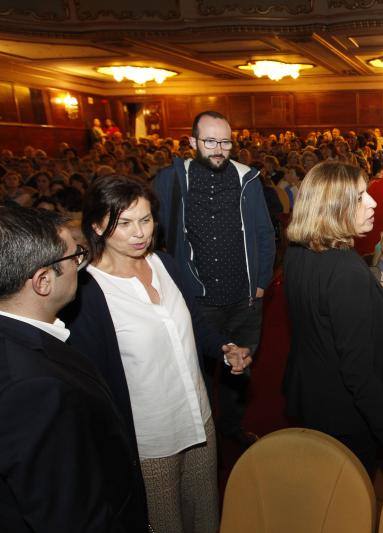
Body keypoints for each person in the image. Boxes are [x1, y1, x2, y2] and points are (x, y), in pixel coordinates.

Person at [63, 176, 252, 532]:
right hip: (148, 441)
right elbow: (91, 386)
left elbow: (194, 325)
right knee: (165, 525)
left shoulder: (164, 264)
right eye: (124, 223)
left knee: (206, 518)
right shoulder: (87, 292)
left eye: (146, 220)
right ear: (97, 225)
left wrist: (224, 349)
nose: (139, 233)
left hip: (198, 421)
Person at [0, 207, 148, 532]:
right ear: (42, 281)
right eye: (74, 258)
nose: (81, 266)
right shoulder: (33, 388)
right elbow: (71, 516)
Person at [283, 161, 383, 482]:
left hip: (314, 398)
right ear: (336, 207)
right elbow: (357, 372)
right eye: (361, 196)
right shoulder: (345, 271)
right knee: (350, 501)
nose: (373, 202)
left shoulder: (297, 253)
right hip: (346, 415)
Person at [154, 110, 275, 449]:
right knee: (200, 375)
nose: (219, 149)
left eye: (225, 141)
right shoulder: (172, 180)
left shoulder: (246, 178)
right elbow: (154, 234)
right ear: (192, 142)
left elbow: (266, 234)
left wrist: (261, 283)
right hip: (198, 301)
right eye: (210, 141)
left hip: (244, 298)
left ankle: (231, 428)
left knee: (240, 371)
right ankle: (206, 438)